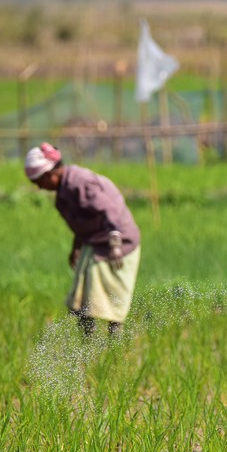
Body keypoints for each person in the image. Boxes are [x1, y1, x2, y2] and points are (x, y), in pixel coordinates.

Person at [25, 142, 141, 335]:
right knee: (80, 302)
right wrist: (76, 248)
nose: (39, 187)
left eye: (38, 182)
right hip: (95, 242)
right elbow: (81, 224)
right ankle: (89, 343)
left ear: (50, 174)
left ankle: (116, 347)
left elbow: (109, 210)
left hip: (117, 242)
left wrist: (115, 245)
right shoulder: (64, 191)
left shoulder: (80, 183)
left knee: (111, 304)